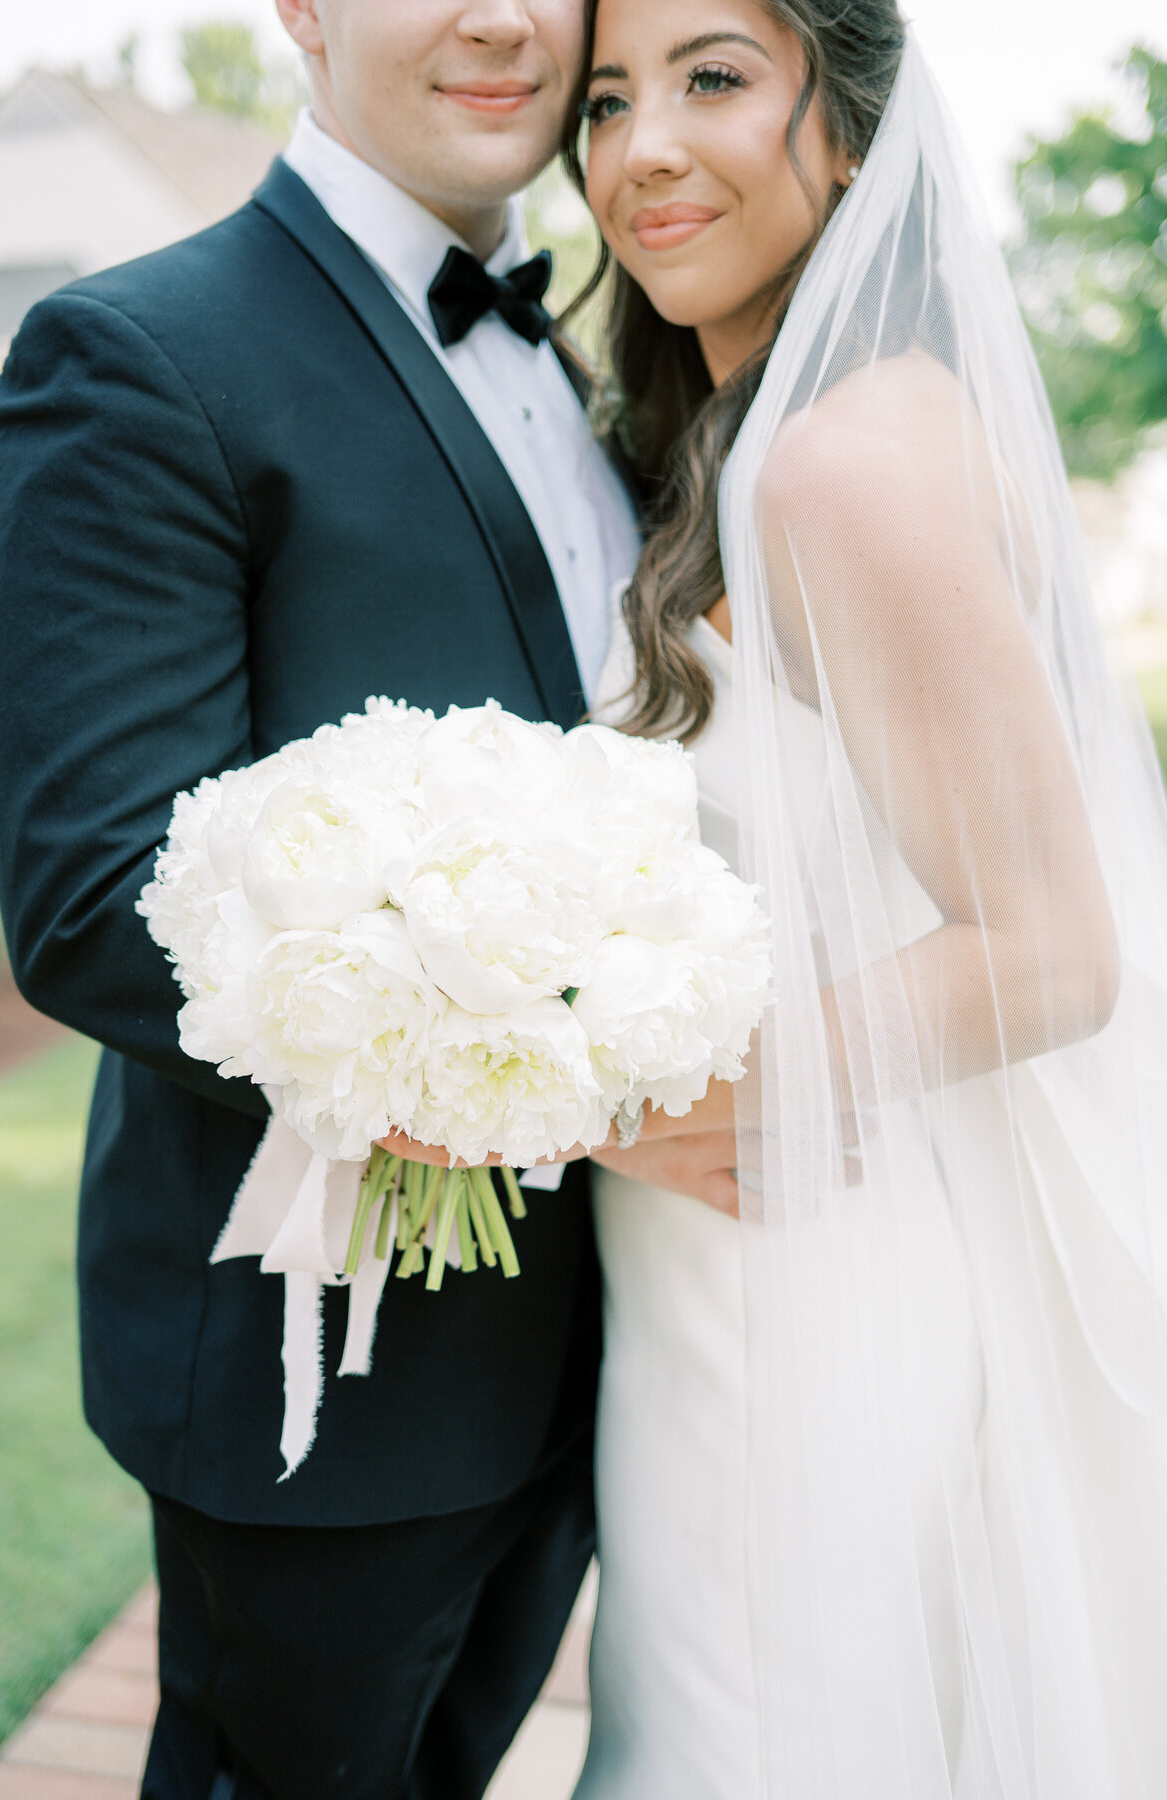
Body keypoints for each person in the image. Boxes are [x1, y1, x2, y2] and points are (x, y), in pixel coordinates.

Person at [0, 4, 659, 1796]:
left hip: (614, 1332)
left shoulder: (614, 346)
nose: (504, 17)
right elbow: (94, 899)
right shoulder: (133, 355)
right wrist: (569, 1063)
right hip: (321, 1369)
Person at [567, 0, 1167, 1794]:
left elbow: (1054, 950)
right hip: (750, 1256)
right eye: (608, 100)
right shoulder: (786, 434)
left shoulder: (843, 459)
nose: (643, 145)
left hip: (814, 1277)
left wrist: (618, 1090)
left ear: (850, 130)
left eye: (716, 78)